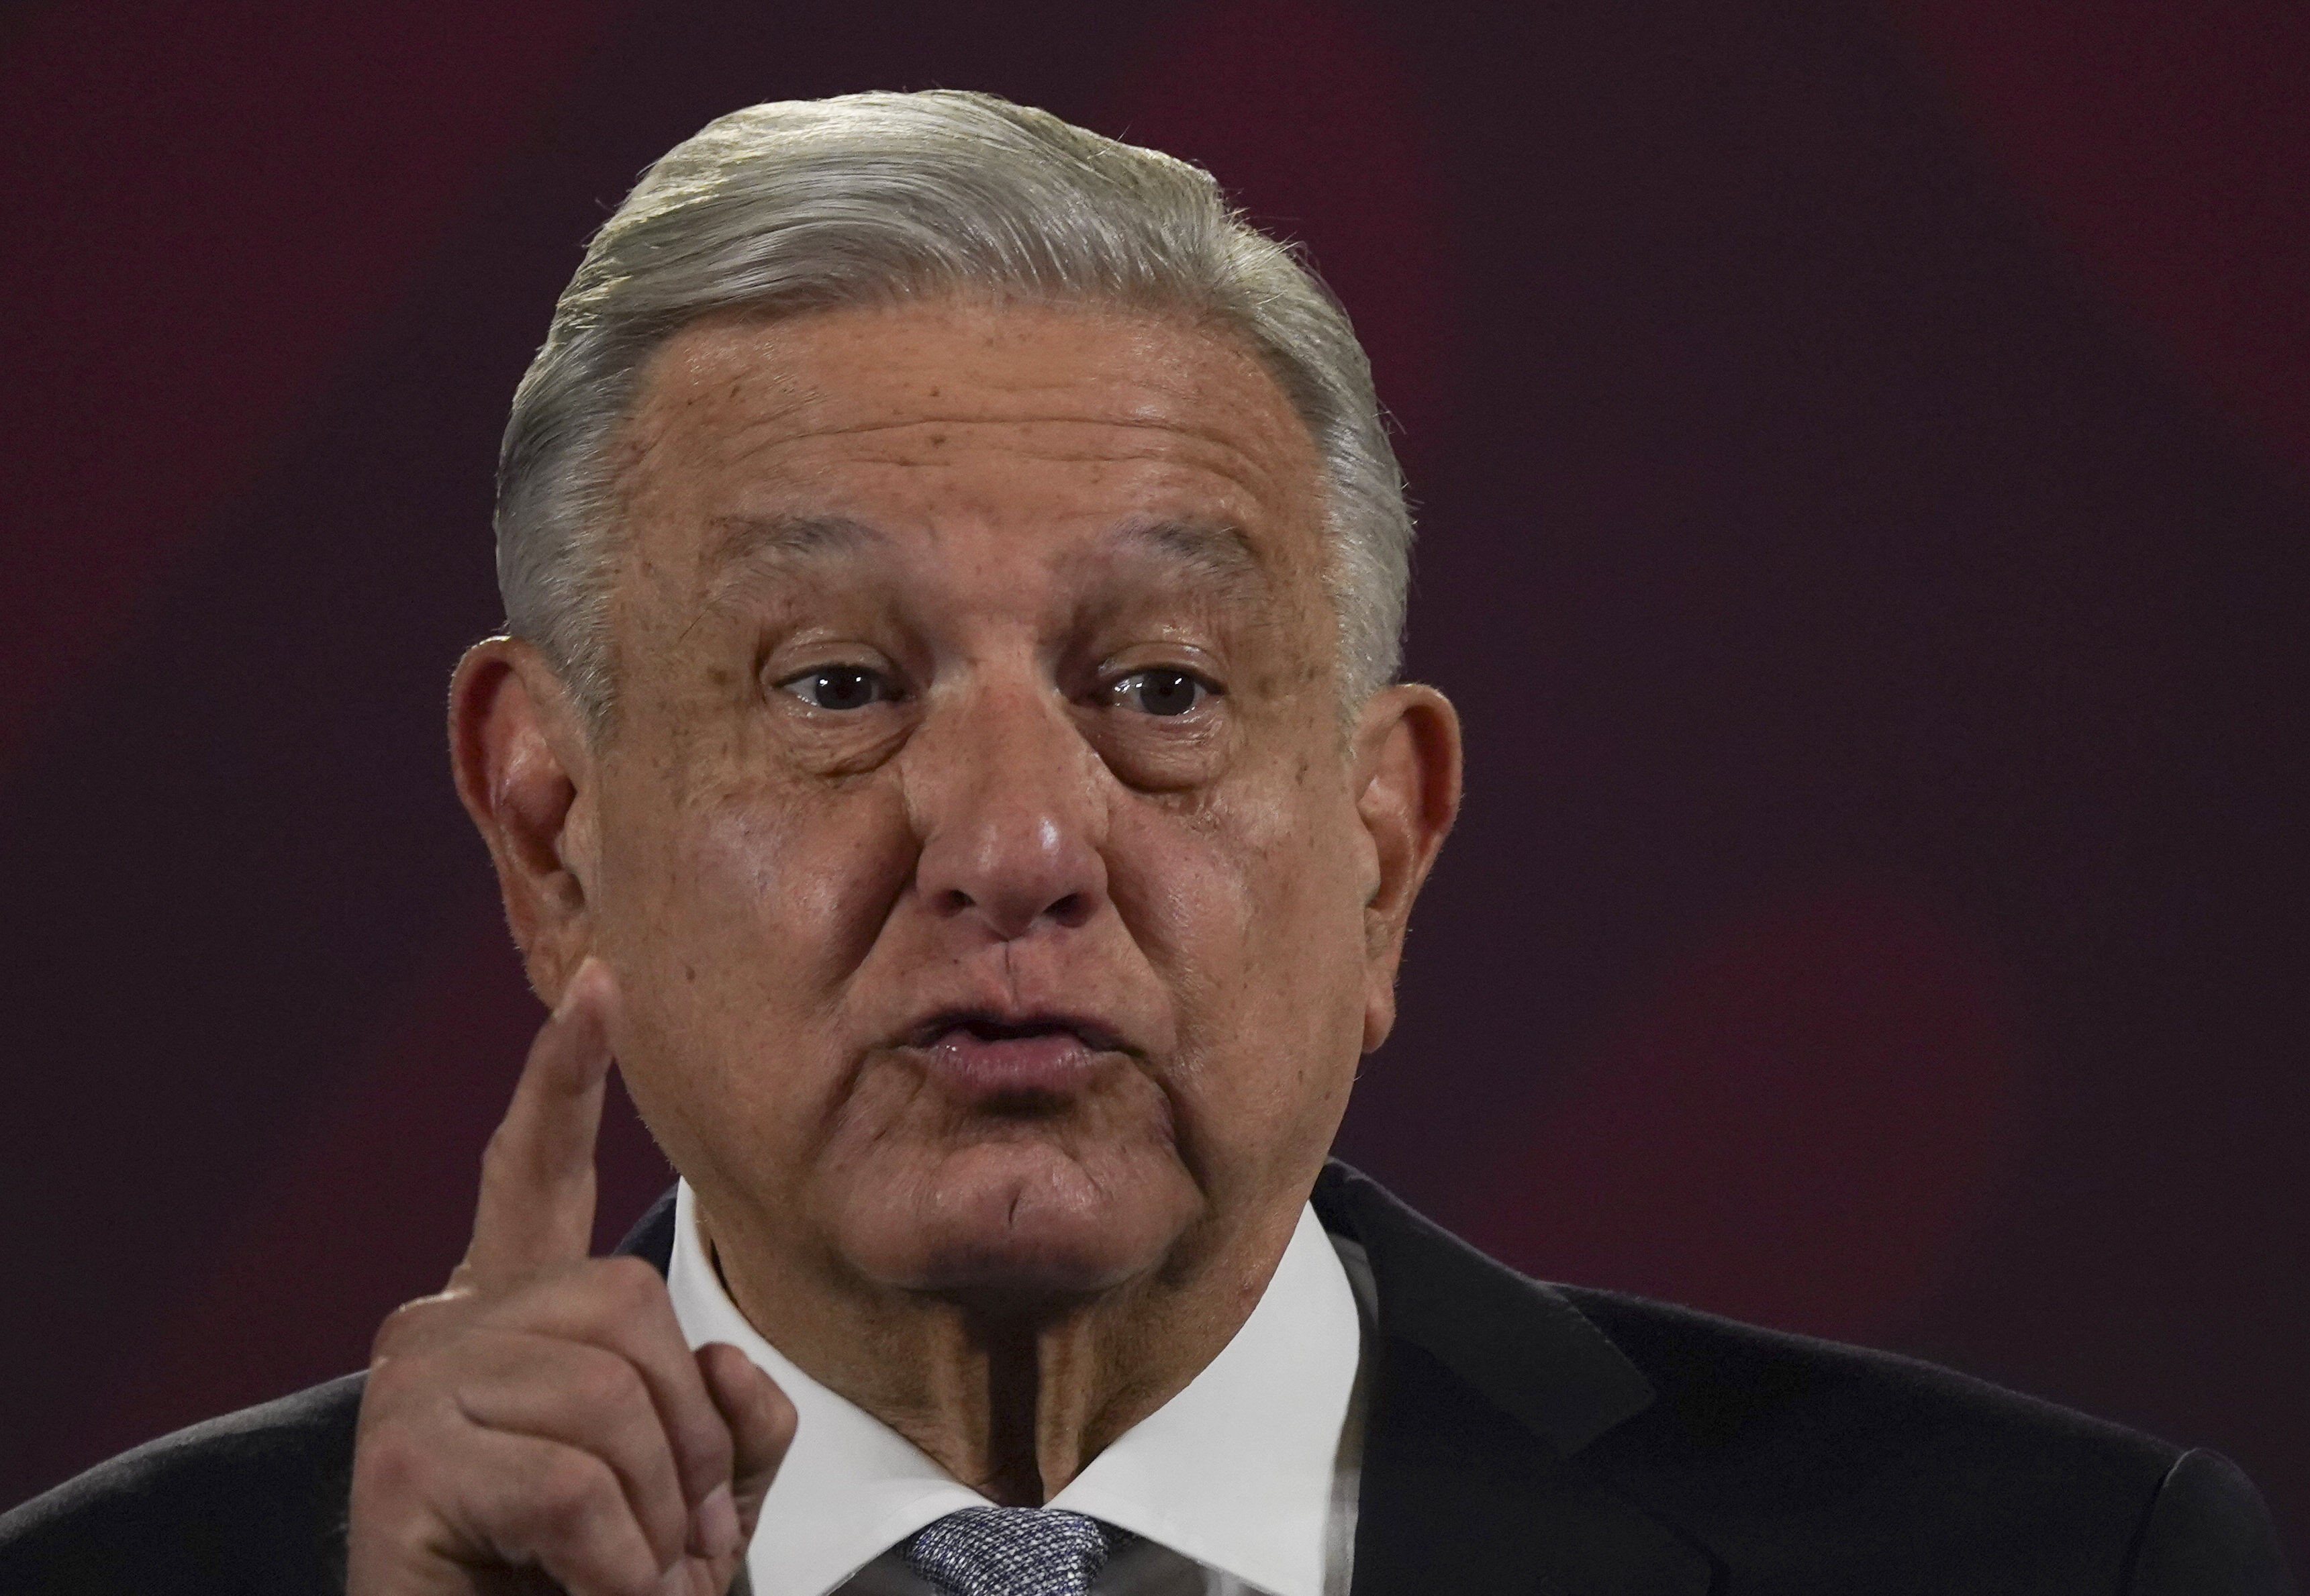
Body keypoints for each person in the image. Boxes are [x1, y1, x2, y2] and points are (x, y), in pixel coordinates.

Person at [0, 89, 2292, 1596]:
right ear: (549, 821)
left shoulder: (2058, 1564)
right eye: (834, 686)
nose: (1013, 841)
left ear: (1382, 845)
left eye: (1163, 690)